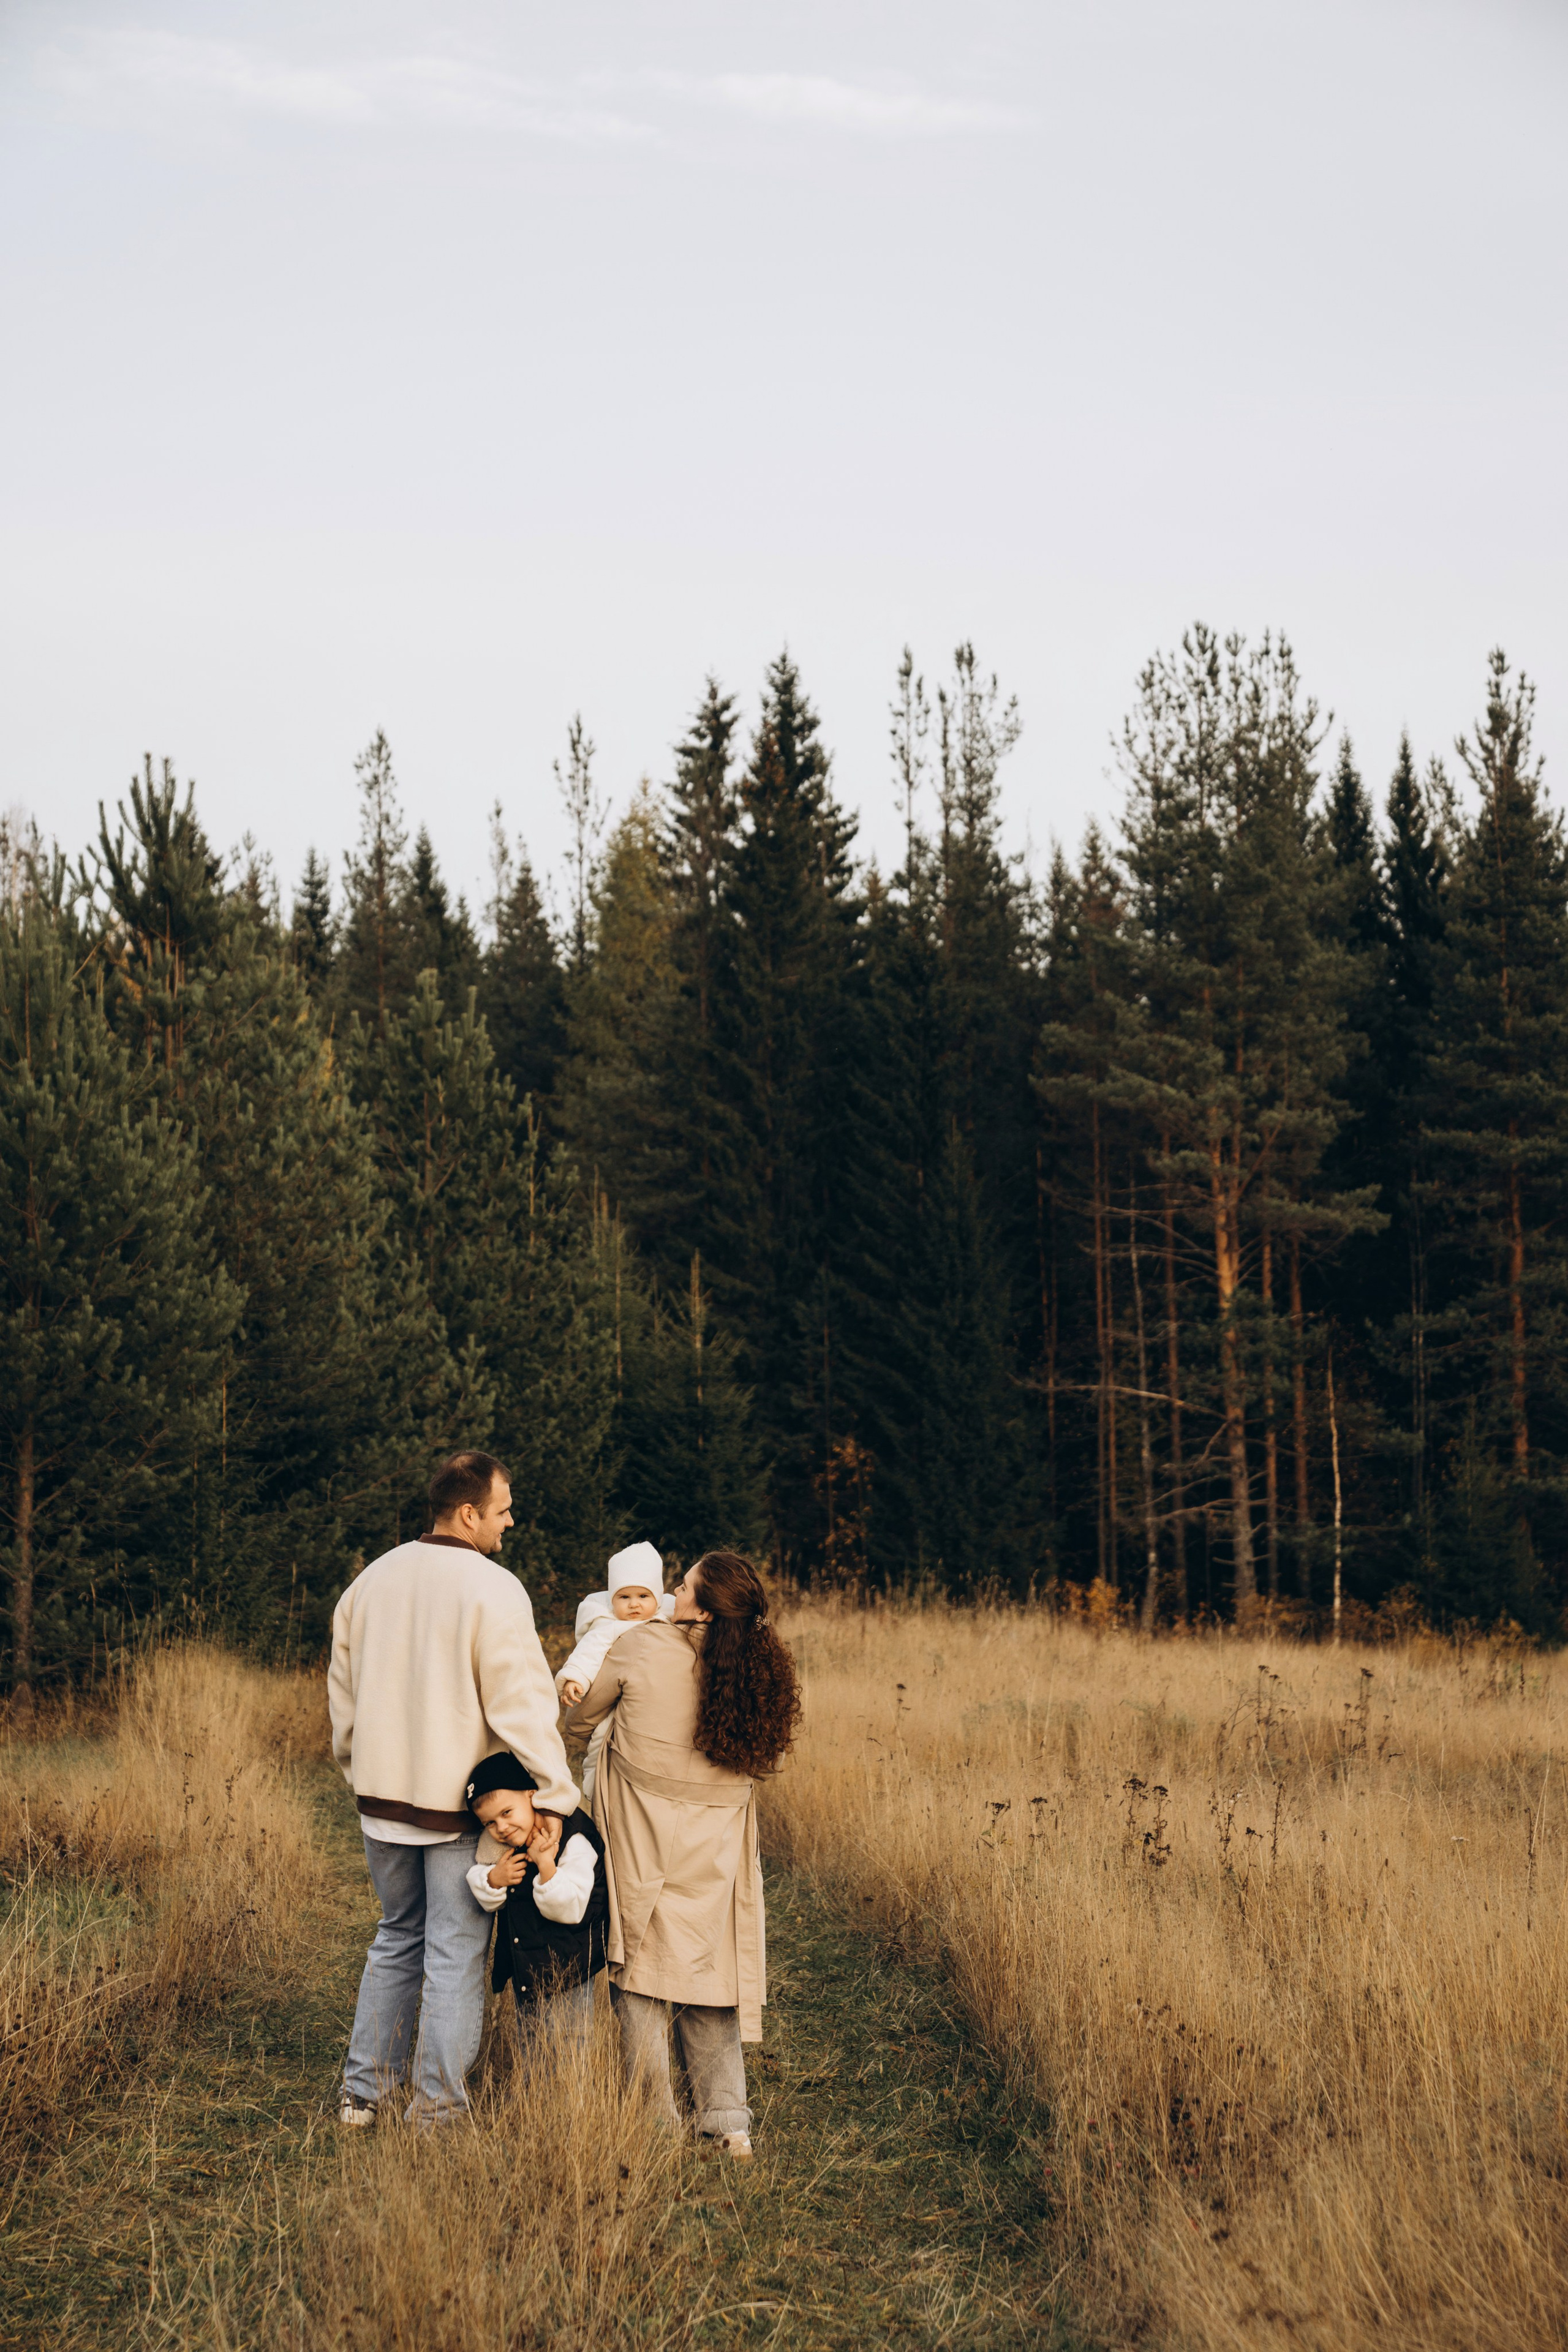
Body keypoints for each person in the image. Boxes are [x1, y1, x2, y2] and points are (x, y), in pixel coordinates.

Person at [328, 1450, 576, 2128]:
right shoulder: (492, 1588)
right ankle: (436, 2113)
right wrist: (555, 1792)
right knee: (454, 1952)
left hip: (382, 1804)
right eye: (503, 1510)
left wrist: (360, 1773)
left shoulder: (371, 1581)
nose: (511, 1521)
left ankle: (362, 2096)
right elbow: (520, 1704)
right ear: (469, 1513)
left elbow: (342, 1698)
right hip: (454, 1810)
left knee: (396, 1936)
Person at [565, 1549, 801, 2163]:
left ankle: (656, 2123)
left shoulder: (641, 1647)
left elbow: (576, 1719)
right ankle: (727, 2122)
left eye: (682, 1584)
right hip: (717, 1846)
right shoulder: (758, 1669)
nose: (671, 1590)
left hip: (644, 1838)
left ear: (697, 1604)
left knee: (638, 1974)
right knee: (709, 1972)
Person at [463, 1751, 610, 2063]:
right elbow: (478, 1879)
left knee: (569, 2041)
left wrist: (546, 1868)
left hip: (568, 1966)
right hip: (527, 1965)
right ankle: (535, 2100)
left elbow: (572, 1908)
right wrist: (493, 1878)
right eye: (489, 1822)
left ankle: (568, 2106)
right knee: (532, 2039)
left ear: (532, 1795)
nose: (501, 1827)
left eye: (507, 1812)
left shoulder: (573, 1839)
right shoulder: (502, 1846)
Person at [556, 1540, 673, 1798]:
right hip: (614, 1701)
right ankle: (593, 1783)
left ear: (658, 1596)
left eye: (643, 1596)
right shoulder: (608, 1626)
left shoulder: (669, 1618)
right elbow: (588, 1652)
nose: (633, 1605)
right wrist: (575, 1678)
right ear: (612, 1600)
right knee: (602, 1737)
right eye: (624, 1597)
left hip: (652, 1698)